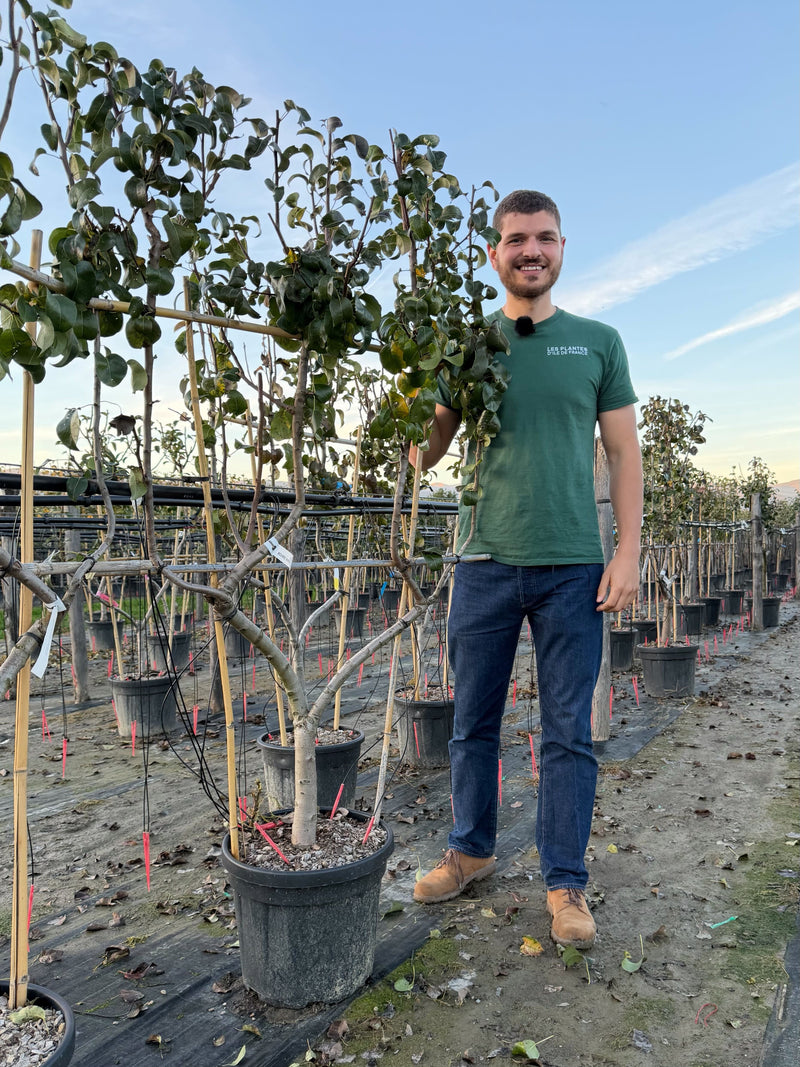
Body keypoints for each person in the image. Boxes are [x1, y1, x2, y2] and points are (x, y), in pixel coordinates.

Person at [410, 190, 643, 949]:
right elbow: (425, 452)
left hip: (574, 564)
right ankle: (471, 850)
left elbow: (623, 453)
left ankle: (565, 883)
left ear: (563, 249)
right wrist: (418, 377)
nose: (530, 251)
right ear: (494, 253)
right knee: (472, 723)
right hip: (482, 559)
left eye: (543, 239)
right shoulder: (468, 344)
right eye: (516, 240)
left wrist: (629, 549)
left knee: (567, 729)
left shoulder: (598, 342)